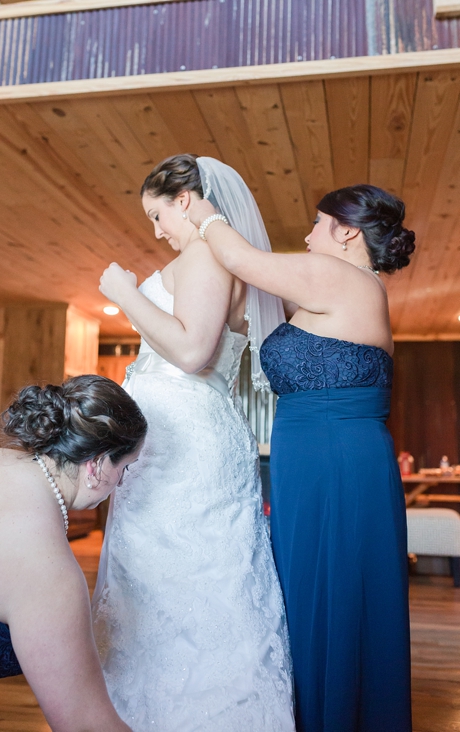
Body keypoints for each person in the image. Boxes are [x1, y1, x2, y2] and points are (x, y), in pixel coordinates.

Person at [188, 183, 415, 731]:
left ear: (348, 232)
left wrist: (204, 214)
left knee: (330, 590)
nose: (309, 235)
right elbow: (254, 295)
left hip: (335, 459)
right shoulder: (334, 287)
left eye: (318, 224)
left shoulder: (341, 277)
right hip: (317, 457)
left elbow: (242, 257)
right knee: (319, 589)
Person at [93, 154, 295, 730]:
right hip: (182, 436)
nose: (156, 232)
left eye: (158, 215)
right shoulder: (215, 255)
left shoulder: (207, 253)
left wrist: (126, 294)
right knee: (175, 582)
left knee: (187, 585)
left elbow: (191, 351)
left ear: (185, 199)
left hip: (186, 443)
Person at [0, 376, 147, 732]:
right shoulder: (49, 574)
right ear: (96, 465)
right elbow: (86, 725)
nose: (123, 482)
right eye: (124, 467)